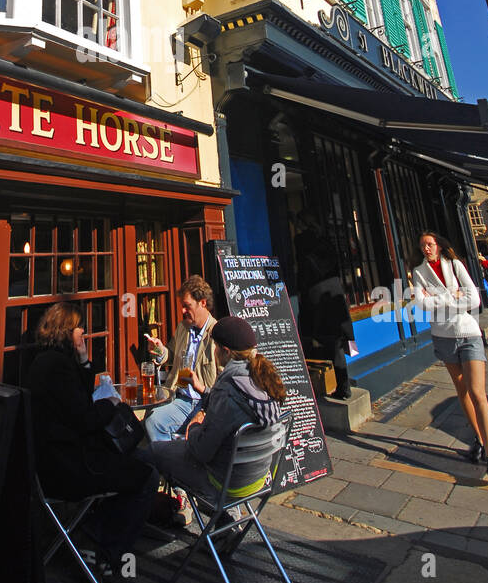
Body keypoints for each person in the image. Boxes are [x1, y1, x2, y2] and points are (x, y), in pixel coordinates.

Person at [26, 301, 158, 571]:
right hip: (70, 467)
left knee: (136, 458)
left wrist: (84, 359)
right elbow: (85, 418)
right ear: (68, 330)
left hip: (57, 461)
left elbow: (79, 401)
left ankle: (95, 526)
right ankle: (106, 550)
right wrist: (108, 404)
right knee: (147, 474)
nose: (83, 333)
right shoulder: (56, 367)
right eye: (80, 329)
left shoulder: (48, 361)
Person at [149, 315, 286, 504]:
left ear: (226, 351)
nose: (212, 351)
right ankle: (223, 520)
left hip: (224, 483)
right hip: (258, 480)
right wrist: (203, 390)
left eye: (214, 347)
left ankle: (162, 510)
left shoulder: (228, 390)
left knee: (154, 451)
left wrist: (194, 429)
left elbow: (201, 451)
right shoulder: (263, 380)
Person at [412, 230, 488, 483]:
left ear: (439, 245)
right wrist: (453, 296)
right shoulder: (419, 272)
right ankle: (479, 439)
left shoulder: (455, 265)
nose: (426, 248)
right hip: (443, 336)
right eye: (422, 246)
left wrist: (439, 299)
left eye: (429, 244)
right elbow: (422, 304)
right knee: (462, 390)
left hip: (468, 332)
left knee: (477, 393)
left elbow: (473, 298)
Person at [143, 275, 219, 443]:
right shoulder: (183, 327)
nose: (183, 311)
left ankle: (174, 459)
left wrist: (206, 410)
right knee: (152, 420)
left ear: (203, 303)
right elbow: (171, 355)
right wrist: (160, 349)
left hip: (203, 402)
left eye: (187, 306)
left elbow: (224, 381)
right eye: (182, 306)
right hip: (180, 397)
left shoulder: (217, 333)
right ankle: (171, 457)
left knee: (156, 423)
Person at [294, 213, 354, 399]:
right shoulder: (326, 242)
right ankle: (343, 385)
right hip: (332, 292)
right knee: (336, 342)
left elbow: (303, 269)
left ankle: (342, 387)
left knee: (328, 341)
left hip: (317, 296)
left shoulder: (302, 242)